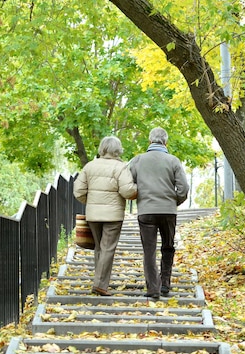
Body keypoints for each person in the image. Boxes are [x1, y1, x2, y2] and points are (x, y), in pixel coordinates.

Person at [129, 126, 189, 300]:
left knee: (149, 250)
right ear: (166, 142)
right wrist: (173, 201)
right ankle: (165, 284)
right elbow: (183, 188)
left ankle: (153, 289)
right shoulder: (173, 161)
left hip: (146, 211)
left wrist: (140, 196)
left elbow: (127, 184)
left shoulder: (137, 160)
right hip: (168, 211)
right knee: (168, 247)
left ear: (150, 141)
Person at [73, 135, 137, 296]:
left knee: (99, 248)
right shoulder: (120, 167)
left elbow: (78, 191)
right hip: (113, 215)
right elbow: (127, 190)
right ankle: (100, 284)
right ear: (118, 150)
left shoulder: (89, 166)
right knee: (108, 248)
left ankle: (100, 281)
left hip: (93, 214)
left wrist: (91, 202)